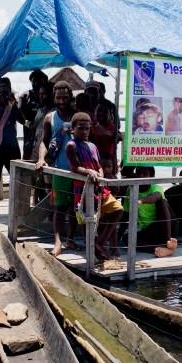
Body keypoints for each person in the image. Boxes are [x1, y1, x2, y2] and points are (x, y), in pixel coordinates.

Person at [66, 112, 123, 261]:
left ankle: (101, 242)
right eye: (81, 128)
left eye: (87, 128)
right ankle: (92, 252)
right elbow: (75, 167)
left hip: (99, 187)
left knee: (118, 209)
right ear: (73, 128)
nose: (84, 132)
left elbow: (99, 167)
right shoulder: (72, 145)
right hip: (83, 189)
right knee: (88, 221)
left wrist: (99, 175)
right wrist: (89, 171)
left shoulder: (92, 146)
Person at [36, 81, 77, 256]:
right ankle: (58, 242)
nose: (61, 101)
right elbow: (44, 143)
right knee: (59, 208)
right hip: (59, 168)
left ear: (70, 97)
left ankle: (70, 238)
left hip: (77, 169)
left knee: (76, 207)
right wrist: (41, 159)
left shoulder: (77, 116)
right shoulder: (49, 117)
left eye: (65, 97)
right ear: (54, 97)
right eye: (58, 97)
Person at [120, 166, 178, 258]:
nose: (141, 176)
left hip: (168, 227)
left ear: (152, 176)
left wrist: (140, 201)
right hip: (151, 231)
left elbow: (157, 195)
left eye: (145, 174)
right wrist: (118, 236)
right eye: (138, 173)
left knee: (161, 201)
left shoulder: (155, 187)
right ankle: (159, 249)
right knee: (126, 238)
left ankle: (168, 242)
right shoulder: (130, 190)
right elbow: (126, 215)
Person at [17, 69, 48, 160]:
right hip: (29, 136)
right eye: (34, 81)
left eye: (39, 81)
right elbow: (18, 116)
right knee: (28, 161)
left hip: (45, 135)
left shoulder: (50, 97)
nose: (36, 84)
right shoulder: (25, 96)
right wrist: (28, 123)